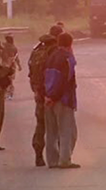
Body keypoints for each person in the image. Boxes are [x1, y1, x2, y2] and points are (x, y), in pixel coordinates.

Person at [28, 25, 63, 167]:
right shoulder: (55, 51)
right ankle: (61, 156)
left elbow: (31, 70)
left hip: (38, 92)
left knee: (41, 124)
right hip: (52, 93)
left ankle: (38, 155)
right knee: (59, 124)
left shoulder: (37, 50)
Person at [44, 32, 79, 169]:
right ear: (70, 44)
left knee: (51, 132)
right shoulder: (67, 59)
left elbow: (43, 77)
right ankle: (65, 160)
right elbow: (66, 81)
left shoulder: (50, 56)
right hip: (62, 100)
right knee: (67, 131)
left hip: (48, 99)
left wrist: (47, 97)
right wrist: (55, 98)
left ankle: (52, 161)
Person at [1, 35, 22, 100]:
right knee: (10, 80)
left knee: (4, 79)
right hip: (11, 66)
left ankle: (5, 93)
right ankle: (9, 93)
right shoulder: (13, 48)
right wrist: (19, 65)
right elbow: (16, 58)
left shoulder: (3, 47)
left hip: (4, 65)